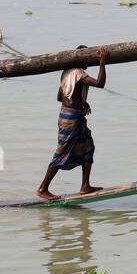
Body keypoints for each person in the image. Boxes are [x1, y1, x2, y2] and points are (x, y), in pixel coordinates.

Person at [37, 47, 109, 200]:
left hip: (71, 115)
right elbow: (100, 83)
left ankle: (85, 186)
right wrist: (102, 63)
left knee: (88, 146)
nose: (89, 64)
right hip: (71, 119)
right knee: (62, 152)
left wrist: (80, 100)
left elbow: (60, 96)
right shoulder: (78, 73)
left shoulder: (66, 73)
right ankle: (43, 188)